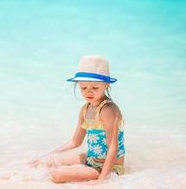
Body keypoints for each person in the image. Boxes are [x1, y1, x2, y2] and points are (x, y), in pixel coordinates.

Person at [30, 55, 125, 185]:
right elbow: (75, 142)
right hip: (91, 159)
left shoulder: (108, 110)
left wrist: (102, 180)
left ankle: (81, 173)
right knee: (46, 162)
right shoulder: (85, 109)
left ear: (106, 85)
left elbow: (113, 147)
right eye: (83, 88)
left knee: (56, 176)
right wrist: (47, 155)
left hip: (107, 167)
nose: (88, 92)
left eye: (95, 88)